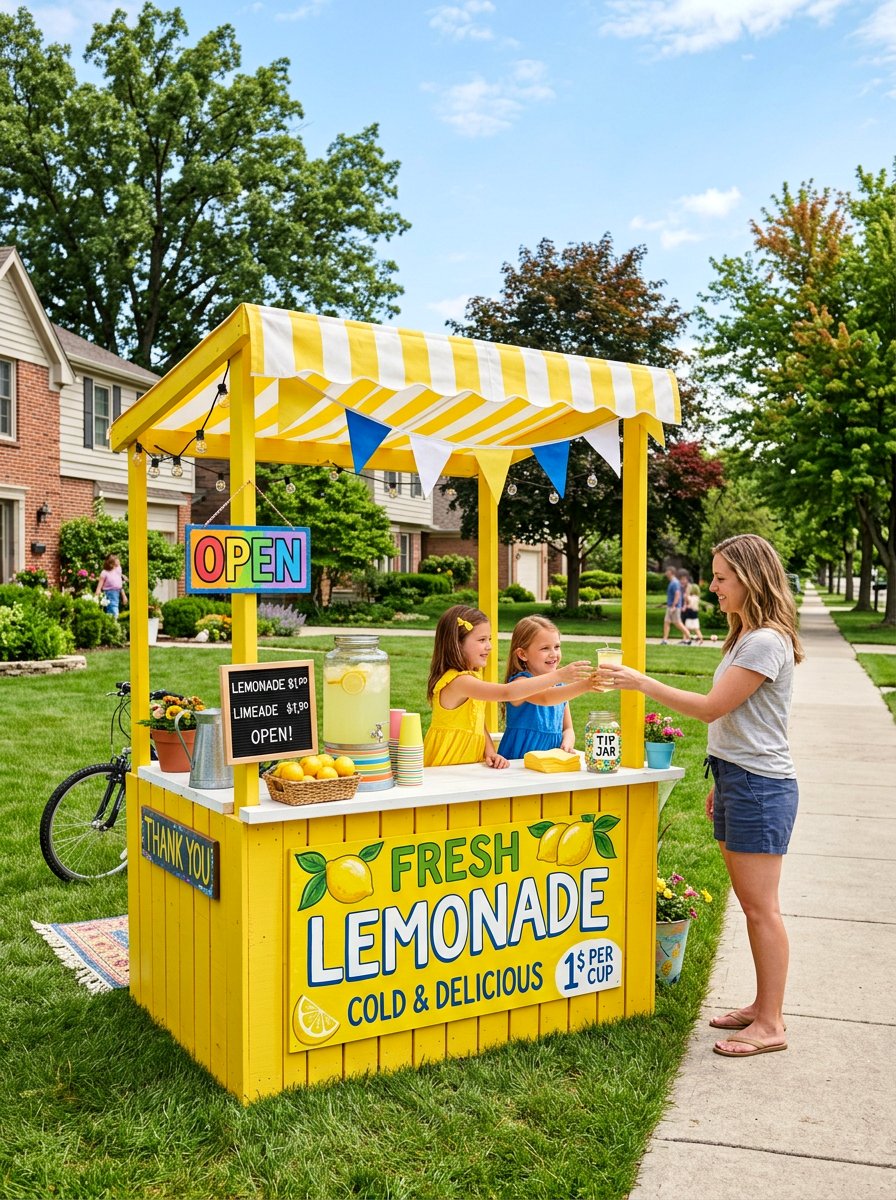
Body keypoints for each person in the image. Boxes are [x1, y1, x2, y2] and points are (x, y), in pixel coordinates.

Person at [601, 534, 802, 1059]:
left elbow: (712, 707)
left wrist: (641, 682)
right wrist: (721, 781)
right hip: (739, 779)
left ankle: (771, 1023)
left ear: (751, 579)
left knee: (761, 909)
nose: (712, 587)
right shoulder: (746, 635)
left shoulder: (764, 641)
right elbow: (740, 722)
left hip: (760, 786)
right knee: (753, 905)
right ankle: (762, 1006)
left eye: (721, 577)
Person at [423, 604, 593, 768]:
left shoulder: (471, 678)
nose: (489, 646)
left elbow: (477, 722)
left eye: (489, 639)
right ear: (457, 643)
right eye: (482, 640)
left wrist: (490, 752)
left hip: (468, 764)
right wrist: (565, 677)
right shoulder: (459, 682)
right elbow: (507, 693)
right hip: (447, 763)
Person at [498, 616, 597, 760]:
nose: (553, 654)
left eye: (557, 647)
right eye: (545, 648)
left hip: (551, 760)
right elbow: (546, 697)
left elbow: (568, 728)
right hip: (519, 759)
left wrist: (567, 741)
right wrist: (586, 685)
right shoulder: (521, 682)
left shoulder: (560, 687)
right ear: (523, 654)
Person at [661, 566, 691, 645]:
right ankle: (665, 640)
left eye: (667, 571)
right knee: (667, 622)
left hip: (674, 607)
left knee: (678, 623)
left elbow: (677, 594)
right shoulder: (673, 582)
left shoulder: (675, 582)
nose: (666, 573)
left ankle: (689, 637)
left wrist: (673, 606)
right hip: (671, 606)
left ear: (671, 572)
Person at [682, 576, 705, 645]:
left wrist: (687, 590)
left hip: (690, 614)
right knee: (696, 628)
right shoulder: (697, 597)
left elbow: (687, 598)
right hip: (695, 614)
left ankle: (685, 640)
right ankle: (701, 639)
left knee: (686, 628)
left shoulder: (691, 597)